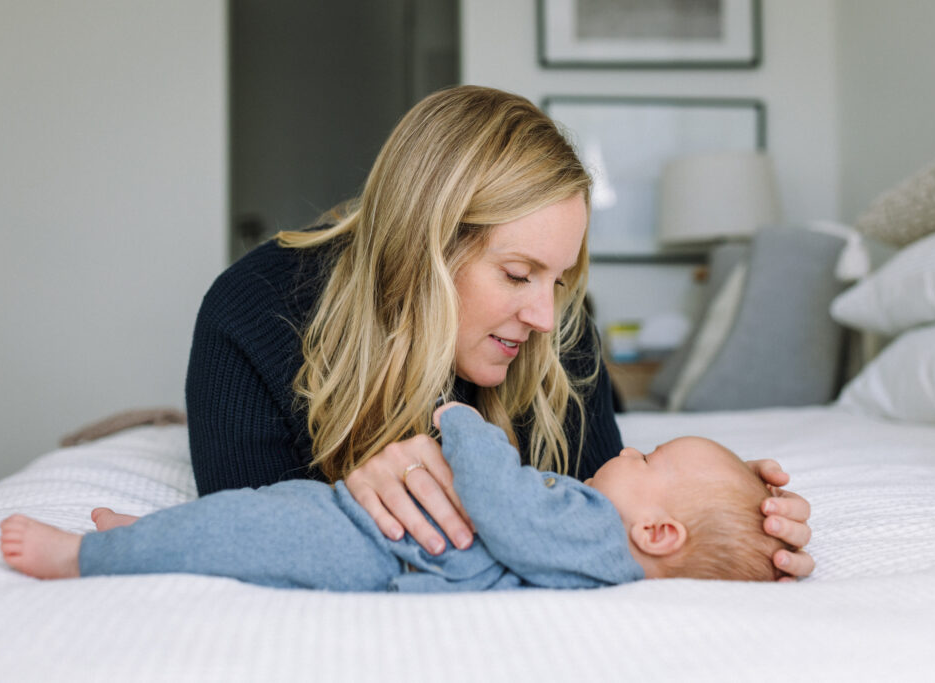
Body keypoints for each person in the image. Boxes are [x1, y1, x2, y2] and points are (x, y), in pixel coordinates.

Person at [183, 85, 814, 577]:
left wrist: (727, 522)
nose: (545, 317)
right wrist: (350, 486)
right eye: (517, 274)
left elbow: (605, 520)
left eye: (561, 279)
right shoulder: (250, 314)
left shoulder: (561, 332)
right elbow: (242, 532)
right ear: (421, 251)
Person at [0, 404, 789, 589]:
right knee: (248, 519)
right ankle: (155, 536)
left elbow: (506, 505)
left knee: (251, 529)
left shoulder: (593, 534)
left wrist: (468, 428)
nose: (621, 448)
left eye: (647, 456)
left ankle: (82, 555)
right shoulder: (604, 543)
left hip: (375, 546)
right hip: (373, 529)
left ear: (655, 530)